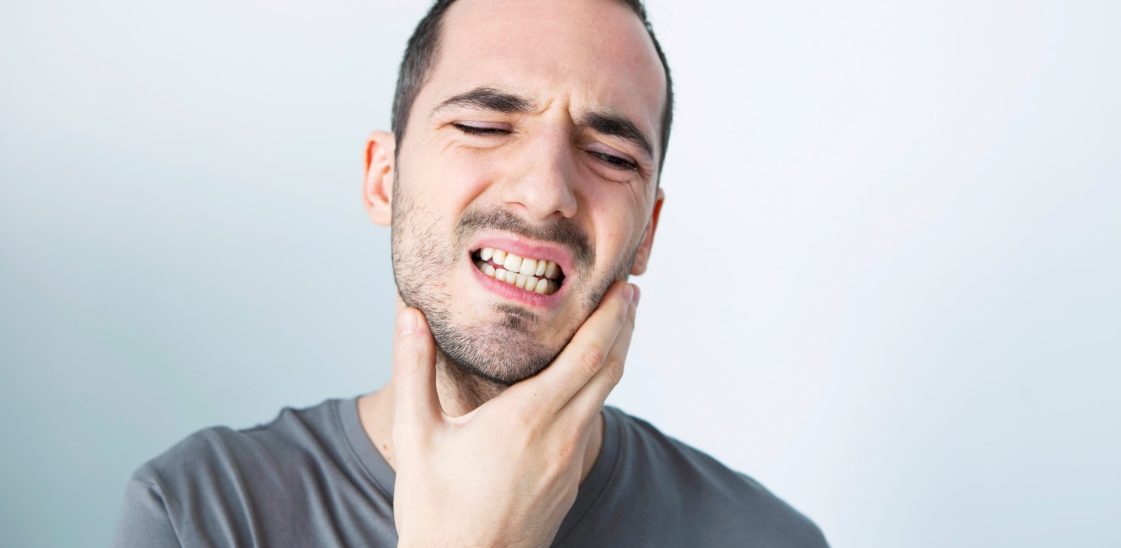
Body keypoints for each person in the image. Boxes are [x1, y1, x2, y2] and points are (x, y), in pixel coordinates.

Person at [112, 0, 829, 546]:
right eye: (484, 126)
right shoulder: (200, 513)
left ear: (647, 234)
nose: (546, 191)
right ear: (383, 180)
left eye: (611, 157)